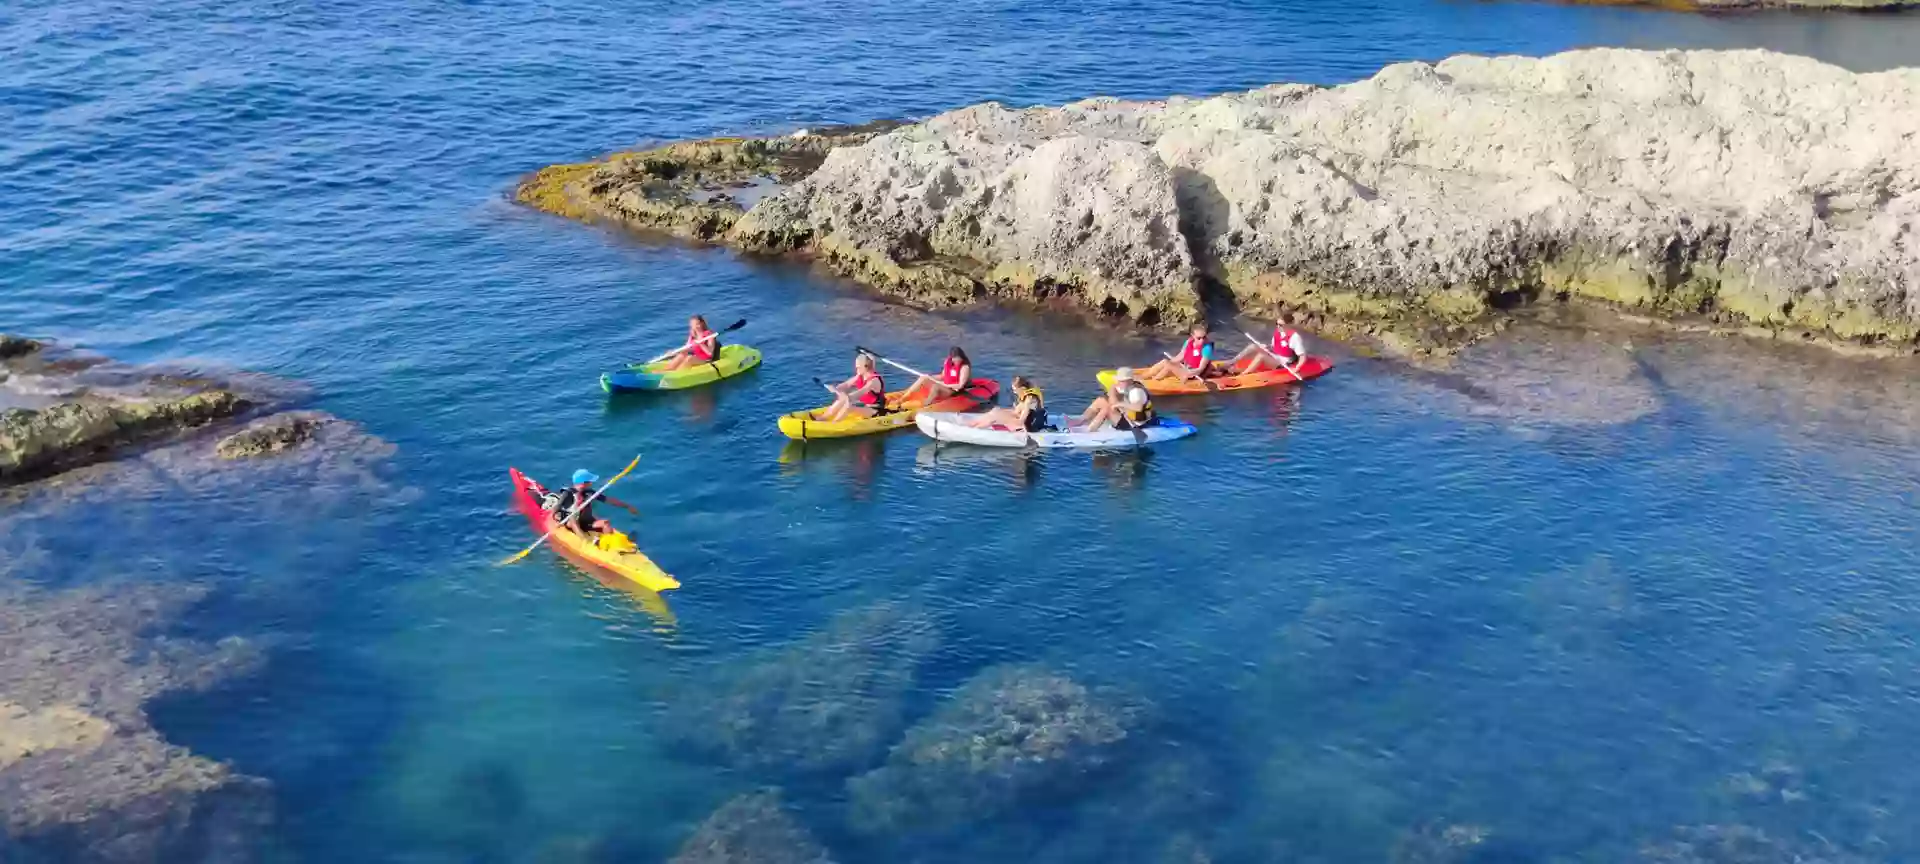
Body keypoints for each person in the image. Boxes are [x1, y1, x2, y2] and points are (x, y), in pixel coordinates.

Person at [551, 469, 639, 540]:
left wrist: (627, 506)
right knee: (573, 520)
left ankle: (610, 543)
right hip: (571, 522)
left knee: (605, 523)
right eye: (590, 481)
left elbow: (609, 500)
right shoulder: (567, 493)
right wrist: (556, 519)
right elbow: (556, 508)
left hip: (586, 521)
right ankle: (585, 543)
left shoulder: (590, 492)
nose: (592, 483)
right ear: (583, 483)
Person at [1070, 367, 1154, 432]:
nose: (1119, 383)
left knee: (1107, 410)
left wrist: (1120, 404)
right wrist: (1113, 388)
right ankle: (1079, 421)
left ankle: (1089, 431)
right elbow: (1111, 395)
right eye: (1119, 380)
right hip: (1127, 415)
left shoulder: (1136, 392)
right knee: (1100, 400)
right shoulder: (1127, 386)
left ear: (1129, 380)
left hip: (1134, 423)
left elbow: (1138, 408)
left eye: (1121, 381)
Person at [966, 376, 1049, 432]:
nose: (1014, 392)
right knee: (995, 411)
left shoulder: (1029, 399)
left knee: (994, 418)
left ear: (1022, 388)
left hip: (1029, 424)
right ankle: (971, 424)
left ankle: (974, 431)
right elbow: (1016, 411)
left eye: (1015, 390)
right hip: (1021, 417)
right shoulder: (1024, 395)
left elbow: (1021, 421)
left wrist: (1002, 420)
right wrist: (1000, 412)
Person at [821, 352, 887, 422]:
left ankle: (834, 424)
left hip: (875, 410)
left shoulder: (874, 381)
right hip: (865, 405)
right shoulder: (859, 375)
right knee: (842, 400)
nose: (856, 369)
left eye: (858, 367)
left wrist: (845, 395)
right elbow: (846, 384)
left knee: (848, 406)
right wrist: (836, 389)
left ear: (866, 366)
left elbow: (860, 393)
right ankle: (822, 419)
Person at [1230, 316, 1307, 374]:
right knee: (1252, 346)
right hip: (1275, 356)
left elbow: (1302, 356)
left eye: (1281, 325)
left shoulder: (1295, 337)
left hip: (1283, 363)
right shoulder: (1278, 332)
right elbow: (1275, 345)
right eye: (1277, 324)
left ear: (1289, 325)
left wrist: (1297, 368)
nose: (1278, 326)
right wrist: (1267, 346)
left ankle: (1244, 375)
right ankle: (1231, 362)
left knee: (1261, 356)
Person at [900, 346, 972, 406]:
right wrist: (930, 377)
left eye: (958, 359)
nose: (956, 361)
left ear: (962, 357)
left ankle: (925, 405)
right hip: (945, 385)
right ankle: (903, 398)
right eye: (954, 359)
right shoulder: (948, 362)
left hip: (953, 390)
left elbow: (960, 385)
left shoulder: (964, 367)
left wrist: (946, 385)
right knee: (923, 378)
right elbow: (943, 376)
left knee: (936, 387)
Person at [1143, 323, 1217, 380]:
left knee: (1168, 366)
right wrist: (1171, 362)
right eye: (1199, 338)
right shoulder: (1188, 342)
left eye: (1204, 337)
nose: (1202, 340)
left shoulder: (1207, 348)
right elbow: (1181, 356)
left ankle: (1155, 381)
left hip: (1195, 374)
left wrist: (1188, 373)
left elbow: (1200, 369)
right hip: (1186, 368)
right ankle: (1143, 376)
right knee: (1165, 362)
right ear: (1192, 336)